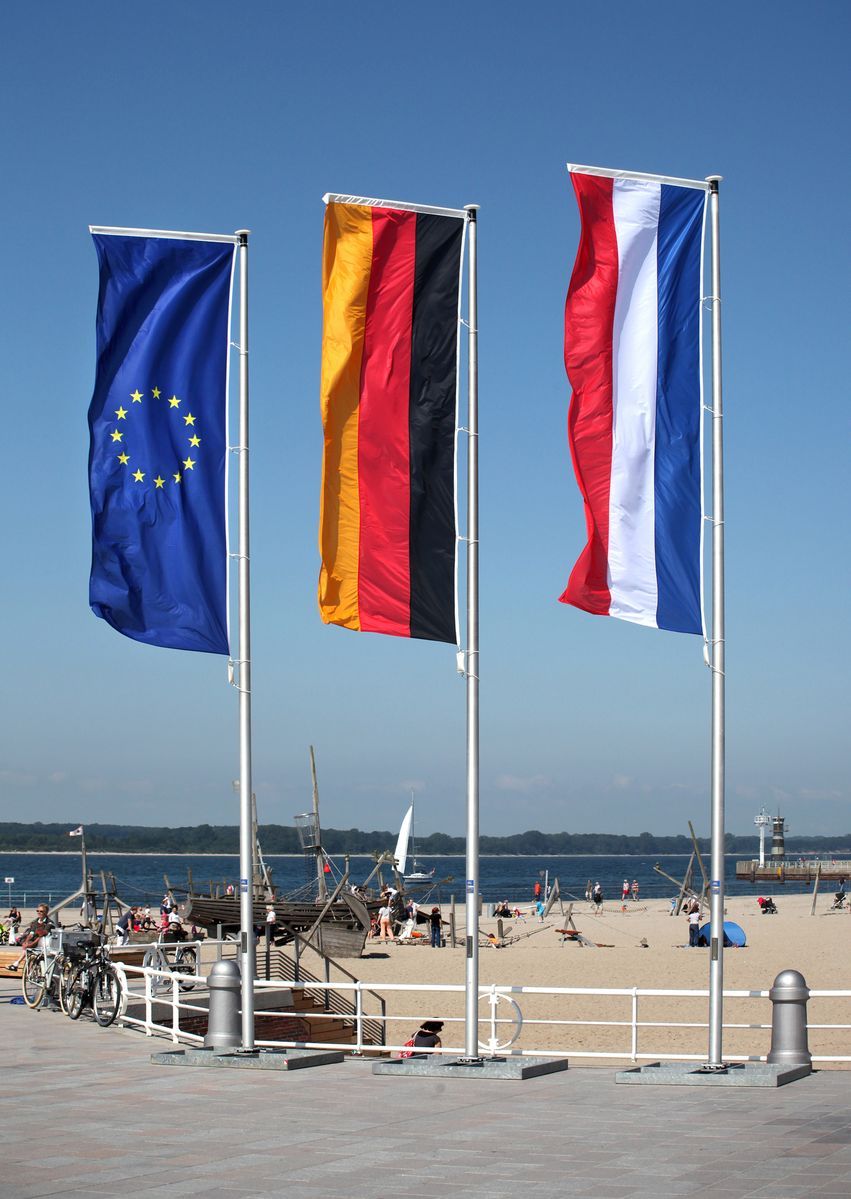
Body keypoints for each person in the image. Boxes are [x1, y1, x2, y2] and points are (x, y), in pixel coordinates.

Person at [8, 903, 54, 971]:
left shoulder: (49, 923)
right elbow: (31, 934)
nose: (39, 913)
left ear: (46, 912)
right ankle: (19, 965)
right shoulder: (35, 922)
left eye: (41, 911)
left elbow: (41, 936)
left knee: (28, 948)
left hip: (44, 944)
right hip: (36, 941)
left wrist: (31, 944)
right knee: (26, 946)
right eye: (37, 911)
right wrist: (26, 942)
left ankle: (17, 963)